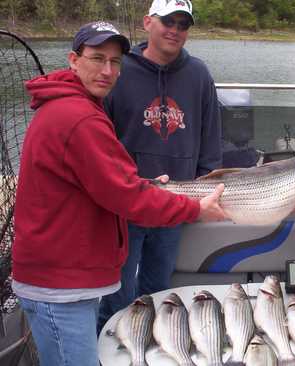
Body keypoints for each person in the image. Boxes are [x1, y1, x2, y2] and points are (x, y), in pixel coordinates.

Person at [12, 21, 226, 366]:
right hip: (60, 286)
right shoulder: (80, 119)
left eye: (115, 62)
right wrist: (194, 207)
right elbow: (127, 196)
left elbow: (107, 182)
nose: (107, 70)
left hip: (62, 276)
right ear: (73, 60)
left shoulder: (72, 106)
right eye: (97, 59)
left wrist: (146, 188)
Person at [97, 0, 222, 332]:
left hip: (175, 204)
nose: (175, 30)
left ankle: (149, 344)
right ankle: (104, 348)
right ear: (147, 22)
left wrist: (203, 186)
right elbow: (99, 135)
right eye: (169, 21)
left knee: (158, 290)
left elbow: (211, 134)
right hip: (128, 202)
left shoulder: (199, 74)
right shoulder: (119, 69)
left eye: (183, 25)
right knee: (117, 295)